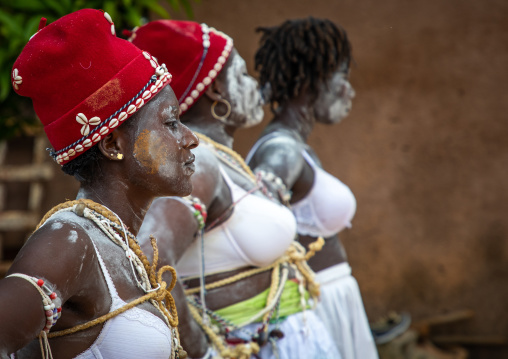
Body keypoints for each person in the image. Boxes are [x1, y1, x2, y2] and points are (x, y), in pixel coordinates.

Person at [0, 9, 203, 359]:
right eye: (170, 123)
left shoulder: (117, 242)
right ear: (112, 145)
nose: (190, 139)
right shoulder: (68, 241)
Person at [132, 20, 340, 359]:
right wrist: (203, 350)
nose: (254, 84)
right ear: (215, 90)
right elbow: (150, 260)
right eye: (242, 75)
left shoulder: (220, 158)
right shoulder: (197, 161)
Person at [246, 17, 379, 359]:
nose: (349, 90)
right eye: (343, 76)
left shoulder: (294, 148)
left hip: (328, 299)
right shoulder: (281, 151)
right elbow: (256, 225)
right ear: (311, 80)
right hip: (313, 309)